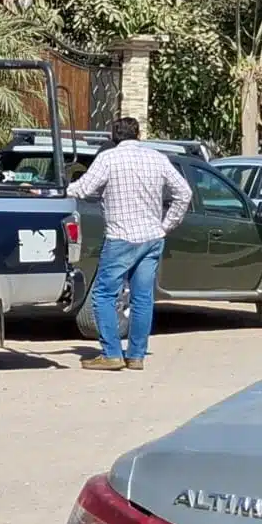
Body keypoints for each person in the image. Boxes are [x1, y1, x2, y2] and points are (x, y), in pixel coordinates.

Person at [66, 116, 192, 372]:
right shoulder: (157, 158)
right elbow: (184, 193)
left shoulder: (108, 159)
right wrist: (166, 225)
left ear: (114, 136)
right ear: (139, 135)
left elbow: (82, 189)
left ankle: (111, 353)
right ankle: (136, 356)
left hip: (121, 238)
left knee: (103, 295)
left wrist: (55, 190)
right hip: (151, 238)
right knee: (143, 298)